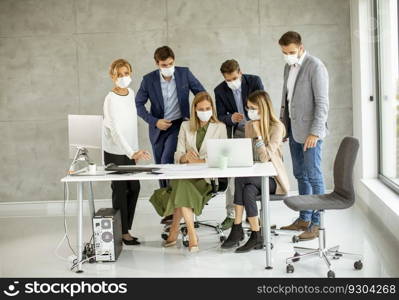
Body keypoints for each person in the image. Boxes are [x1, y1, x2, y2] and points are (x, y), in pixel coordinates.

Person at [149, 92, 227, 252]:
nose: (205, 111)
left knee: (180, 187)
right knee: (182, 183)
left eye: (207, 108)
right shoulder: (185, 126)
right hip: (185, 175)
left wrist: (199, 161)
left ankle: (176, 231)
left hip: (206, 179)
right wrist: (185, 157)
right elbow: (177, 155)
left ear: (212, 108)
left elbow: (221, 157)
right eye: (201, 109)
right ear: (195, 110)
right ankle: (191, 234)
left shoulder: (220, 127)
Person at [221, 90, 290, 252]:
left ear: (262, 108)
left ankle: (237, 227)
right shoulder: (250, 125)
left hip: (274, 179)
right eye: (248, 108)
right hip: (254, 178)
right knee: (248, 190)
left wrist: (258, 135)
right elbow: (249, 155)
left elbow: (265, 157)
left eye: (252, 108)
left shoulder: (277, 127)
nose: (249, 112)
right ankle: (256, 235)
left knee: (240, 180)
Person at [277, 31, 329, 241]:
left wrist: (315, 132)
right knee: (300, 175)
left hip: (311, 134)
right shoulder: (288, 67)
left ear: (301, 47)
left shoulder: (315, 66)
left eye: (290, 51)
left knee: (314, 176)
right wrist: (283, 128)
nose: (287, 55)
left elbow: (323, 103)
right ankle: (304, 218)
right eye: (283, 52)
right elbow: (287, 100)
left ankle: (318, 224)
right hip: (294, 132)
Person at [103, 59, 151, 246]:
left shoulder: (131, 93)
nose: (123, 77)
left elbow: (131, 126)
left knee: (134, 187)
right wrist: (131, 152)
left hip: (131, 151)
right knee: (120, 190)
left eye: (126, 73)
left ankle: (125, 229)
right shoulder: (110, 99)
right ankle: (122, 233)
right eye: (119, 74)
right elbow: (116, 131)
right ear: (112, 76)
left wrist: (134, 151)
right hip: (115, 151)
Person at [214, 59, 265, 231]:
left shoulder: (254, 81)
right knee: (233, 174)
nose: (231, 83)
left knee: (260, 170)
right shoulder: (219, 90)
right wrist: (230, 118)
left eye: (234, 78)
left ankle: (262, 216)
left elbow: (263, 104)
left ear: (240, 72)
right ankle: (231, 215)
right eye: (228, 80)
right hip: (237, 133)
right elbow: (220, 115)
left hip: (257, 130)